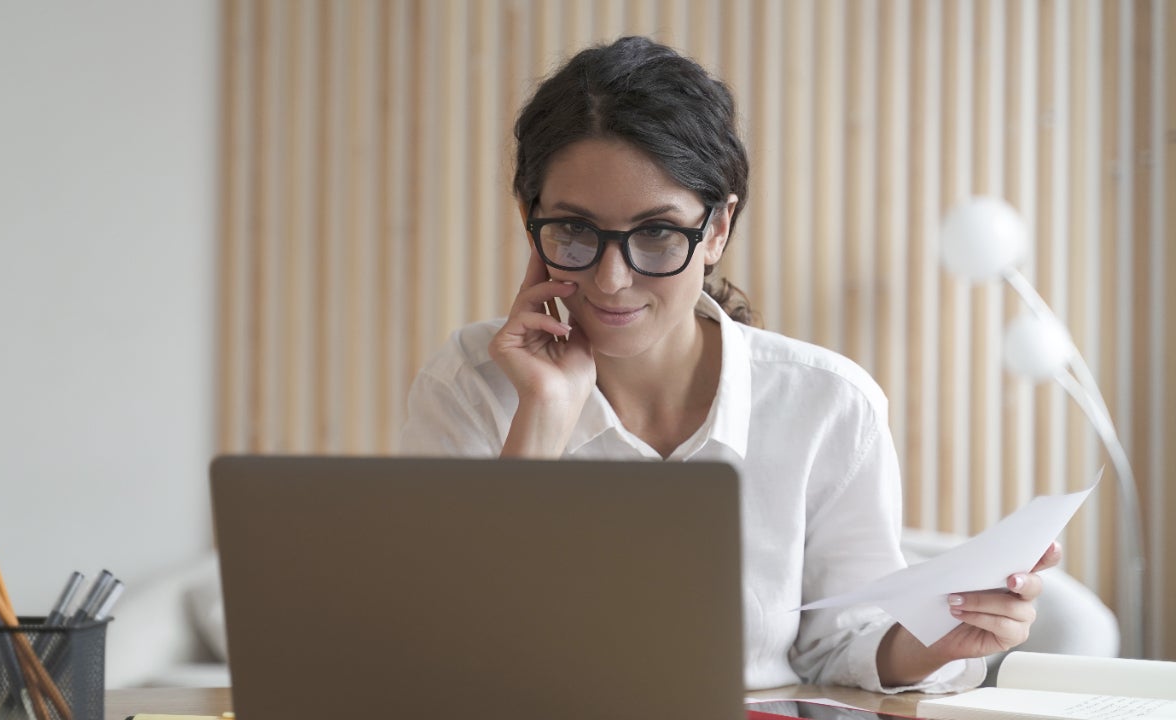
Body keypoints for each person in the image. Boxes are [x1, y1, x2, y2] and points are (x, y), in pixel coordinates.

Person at [400, 35, 1059, 693]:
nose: (612, 279)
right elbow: (446, 656)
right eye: (574, 230)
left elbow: (842, 646)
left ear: (716, 230)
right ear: (529, 218)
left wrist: (930, 646)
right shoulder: (467, 387)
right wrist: (540, 420)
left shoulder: (829, 404)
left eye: (657, 233)